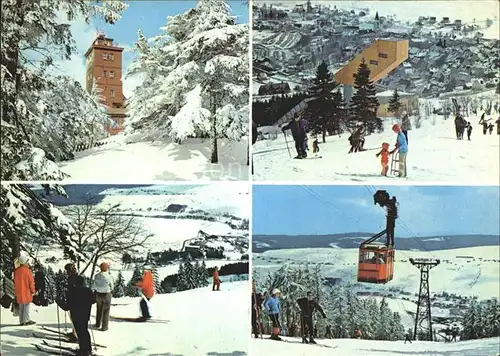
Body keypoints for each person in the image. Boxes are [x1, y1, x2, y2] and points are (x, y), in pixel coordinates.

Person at [57, 263, 95, 356]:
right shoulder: (87, 290)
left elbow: (67, 306)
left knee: (80, 332)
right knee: (84, 331)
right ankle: (87, 349)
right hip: (85, 314)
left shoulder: (72, 292)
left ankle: (83, 351)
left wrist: (58, 301)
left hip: (76, 314)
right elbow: (93, 300)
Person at [13, 255, 36, 326]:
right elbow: (31, 282)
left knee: (21, 307)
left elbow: (14, 282)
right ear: (24, 262)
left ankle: (21, 321)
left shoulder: (16, 271)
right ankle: (26, 320)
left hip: (19, 292)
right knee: (26, 306)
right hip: (26, 291)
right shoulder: (28, 271)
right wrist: (33, 291)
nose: (28, 263)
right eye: (27, 261)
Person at [92, 262, 114, 331]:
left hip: (98, 294)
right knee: (106, 311)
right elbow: (112, 286)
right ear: (107, 268)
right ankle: (104, 326)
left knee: (99, 309)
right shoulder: (109, 276)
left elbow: (93, 285)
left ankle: (97, 323)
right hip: (106, 294)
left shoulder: (96, 276)